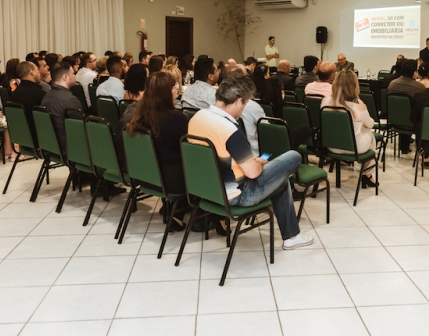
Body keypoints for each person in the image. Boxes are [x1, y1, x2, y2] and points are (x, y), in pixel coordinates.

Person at [187, 75, 313, 250]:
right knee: (293, 156)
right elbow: (253, 173)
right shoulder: (230, 129)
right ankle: (292, 237)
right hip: (237, 195)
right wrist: (259, 163)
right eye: (245, 103)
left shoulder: (197, 117)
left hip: (206, 188)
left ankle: (292, 236)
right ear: (238, 101)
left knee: (280, 180)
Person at [124, 71, 189, 230]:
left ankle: (173, 207)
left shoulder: (138, 116)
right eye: (174, 86)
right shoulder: (177, 118)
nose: (176, 89)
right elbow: (189, 150)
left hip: (144, 176)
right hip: (170, 181)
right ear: (167, 92)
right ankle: (179, 214)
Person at [321, 70, 378, 186]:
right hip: (354, 148)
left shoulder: (325, 101)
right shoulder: (358, 105)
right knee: (370, 134)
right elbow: (370, 124)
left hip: (332, 146)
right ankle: (367, 174)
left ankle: (367, 174)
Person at [41, 61, 82, 153]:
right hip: (69, 148)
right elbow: (80, 130)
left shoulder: (47, 96)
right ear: (65, 77)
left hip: (50, 145)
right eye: (73, 73)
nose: (75, 76)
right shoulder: (70, 100)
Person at [387, 59, 426, 155]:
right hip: (412, 123)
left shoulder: (392, 84)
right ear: (414, 72)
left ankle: (404, 147)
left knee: (403, 111)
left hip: (394, 121)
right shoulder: (419, 87)